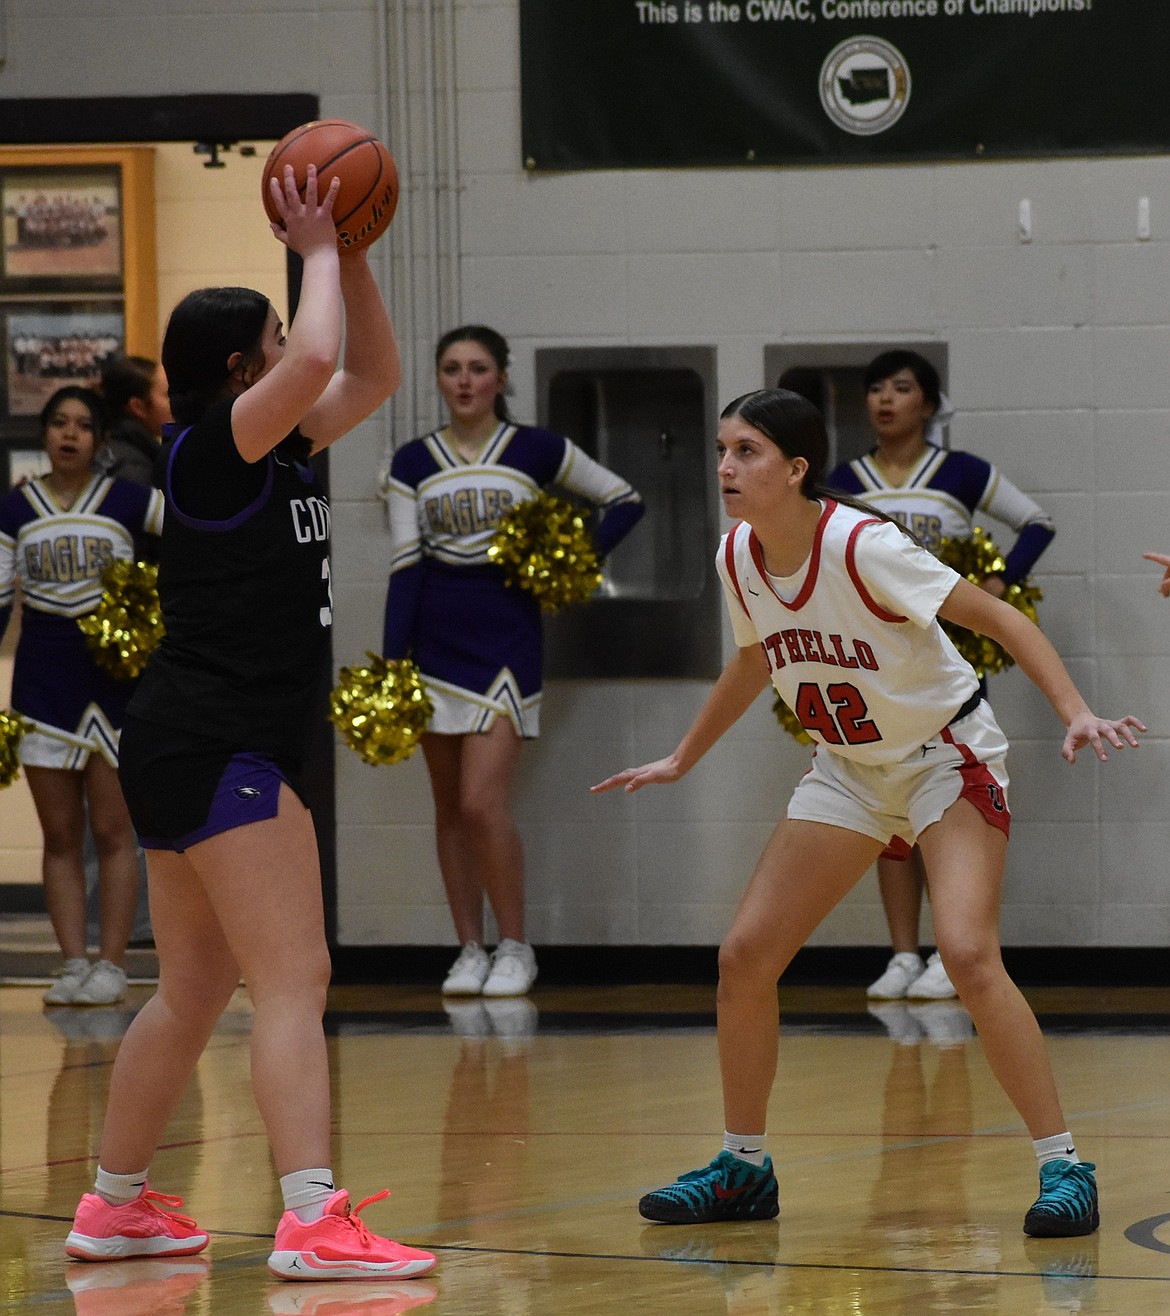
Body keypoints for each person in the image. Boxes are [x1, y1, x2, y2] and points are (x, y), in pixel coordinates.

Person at [593, 388, 1143, 1237]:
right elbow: (752, 660)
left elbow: (993, 616)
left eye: (746, 452)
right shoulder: (738, 555)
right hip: (847, 771)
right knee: (744, 956)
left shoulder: (863, 544)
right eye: (721, 450)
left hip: (943, 758)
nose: (725, 468)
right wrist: (682, 756)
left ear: (796, 468)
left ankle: (1064, 1165)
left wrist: (1074, 708)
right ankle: (743, 1168)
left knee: (966, 953)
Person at [64, 164, 436, 1282]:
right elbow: (320, 358)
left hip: (186, 734)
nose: (294, 343)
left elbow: (367, 368)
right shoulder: (216, 446)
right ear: (241, 367)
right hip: (221, 736)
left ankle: (114, 1203)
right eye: (274, 335)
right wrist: (314, 242)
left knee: (190, 988)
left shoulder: (275, 444)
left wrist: (354, 251)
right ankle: (314, 1215)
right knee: (295, 974)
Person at [382, 325, 644, 998]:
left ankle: (516, 946)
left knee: (481, 803)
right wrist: (392, 663)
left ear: (500, 378)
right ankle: (469, 947)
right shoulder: (412, 462)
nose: (464, 380)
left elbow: (624, 500)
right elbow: (407, 567)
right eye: (451, 369)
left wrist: (565, 557)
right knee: (448, 808)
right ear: (438, 379)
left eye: (477, 368)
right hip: (433, 641)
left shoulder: (535, 450)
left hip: (506, 641)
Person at [827, 350, 1056, 1004]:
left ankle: (952, 952)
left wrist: (1003, 580)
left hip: (948, 658)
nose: (885, 400)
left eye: (901, 388)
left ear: (928, 404)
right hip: (872, 662)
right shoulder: (845, 477)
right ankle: (903, 953)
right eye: (875, 389)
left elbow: (1037, 522)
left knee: (942, 795)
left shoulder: (960, 472)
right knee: (885, 798)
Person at [0, 385, 164, 1007]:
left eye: (83, 425)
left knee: (117, 831)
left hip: (116, 685)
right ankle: (71, 963)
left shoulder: (127, 499)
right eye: (59, 424)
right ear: (44, 434)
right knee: (61, 836)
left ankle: (113, 963)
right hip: (43, 682)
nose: (70, 434)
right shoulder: (15, 511)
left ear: (98, 440)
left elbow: (195, 539)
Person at [96, 353, 172, 487]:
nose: (177, 401)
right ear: (138, 407)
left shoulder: (112, 449)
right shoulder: (133, 469)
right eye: (168, 394)